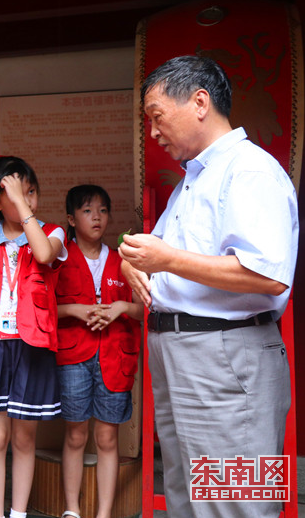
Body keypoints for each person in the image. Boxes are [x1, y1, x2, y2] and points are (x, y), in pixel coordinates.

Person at [119, 55, 298, 518]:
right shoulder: (194, 180)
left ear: (199, 102)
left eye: (157, 117)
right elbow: (154, 253)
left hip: (226, 358)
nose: (154, 133)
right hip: (184, 353)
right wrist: (133, 265)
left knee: (237, 504)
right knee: (188, 499)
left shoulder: (250, 171)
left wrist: (165, 260)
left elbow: (269, 274)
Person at [0, 156, 66, 518]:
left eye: (30, 192)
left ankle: (18, 513)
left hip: (32, 346)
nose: (26, 200)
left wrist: (22, 207)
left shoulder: (52, 232)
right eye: (16, 194)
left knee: (23, 438)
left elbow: (44, 254)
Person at [55, 185, 142, 518]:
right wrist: (75, 309)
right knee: (76, 435)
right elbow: (43, 309)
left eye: (103, 210)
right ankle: (72, 510)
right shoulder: (59, 258)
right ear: (71, 219)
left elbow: (144, 310)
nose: (97, 217)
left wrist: (121, 307)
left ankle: (104, 514)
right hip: (73, 357)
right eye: (88, 210)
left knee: (107, 438)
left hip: (114, 357)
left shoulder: (124, 260)